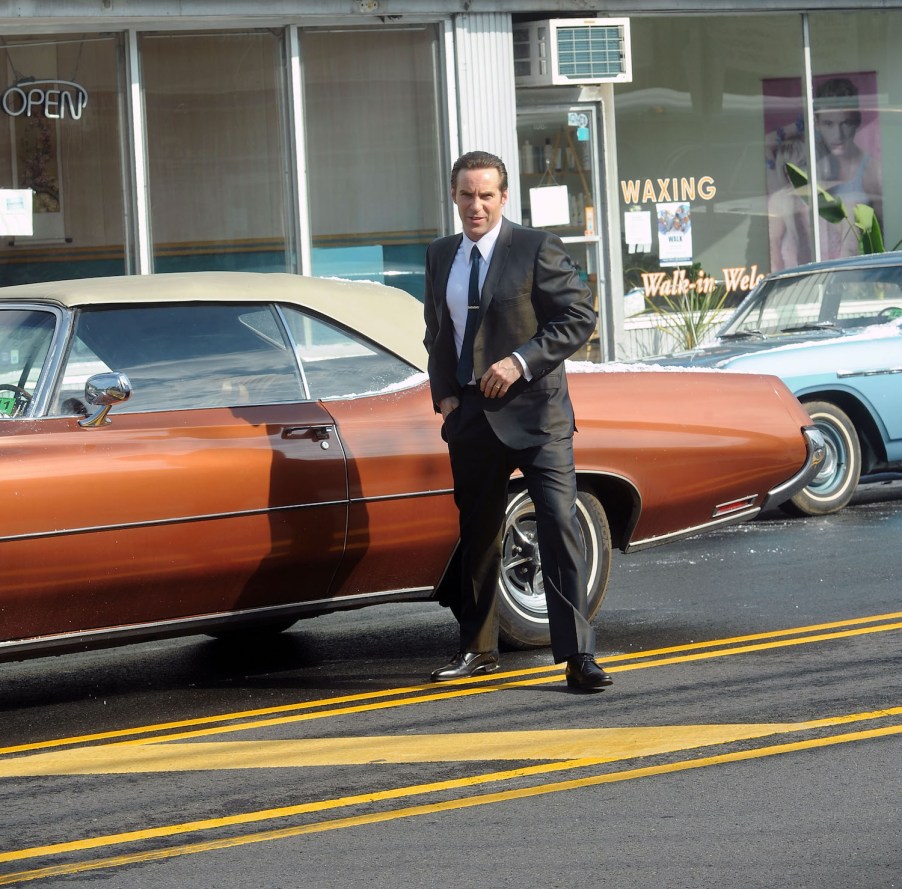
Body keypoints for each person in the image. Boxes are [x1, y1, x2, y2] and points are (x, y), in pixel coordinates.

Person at [423, 150, 612, 692]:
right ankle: (477, 650)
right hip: (471, 419)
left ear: (504, 197)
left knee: (557, 525)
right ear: (454, 197)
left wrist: (520, 361)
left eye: (486, 195)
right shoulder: (440, 256)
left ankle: (578, 657)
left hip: (537, 416)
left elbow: (579, 316)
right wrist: (445, 398)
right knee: (477, 536)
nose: (475, 205)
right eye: (466, 194)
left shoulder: (535, 247)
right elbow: (438, 333)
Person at [813, 77, 883, 259]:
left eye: (846, 123)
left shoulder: (873, 170)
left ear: (857, 121)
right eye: (829, 124)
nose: (838, 135)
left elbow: (883, 242)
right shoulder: (813, 169)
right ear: (817, 124)